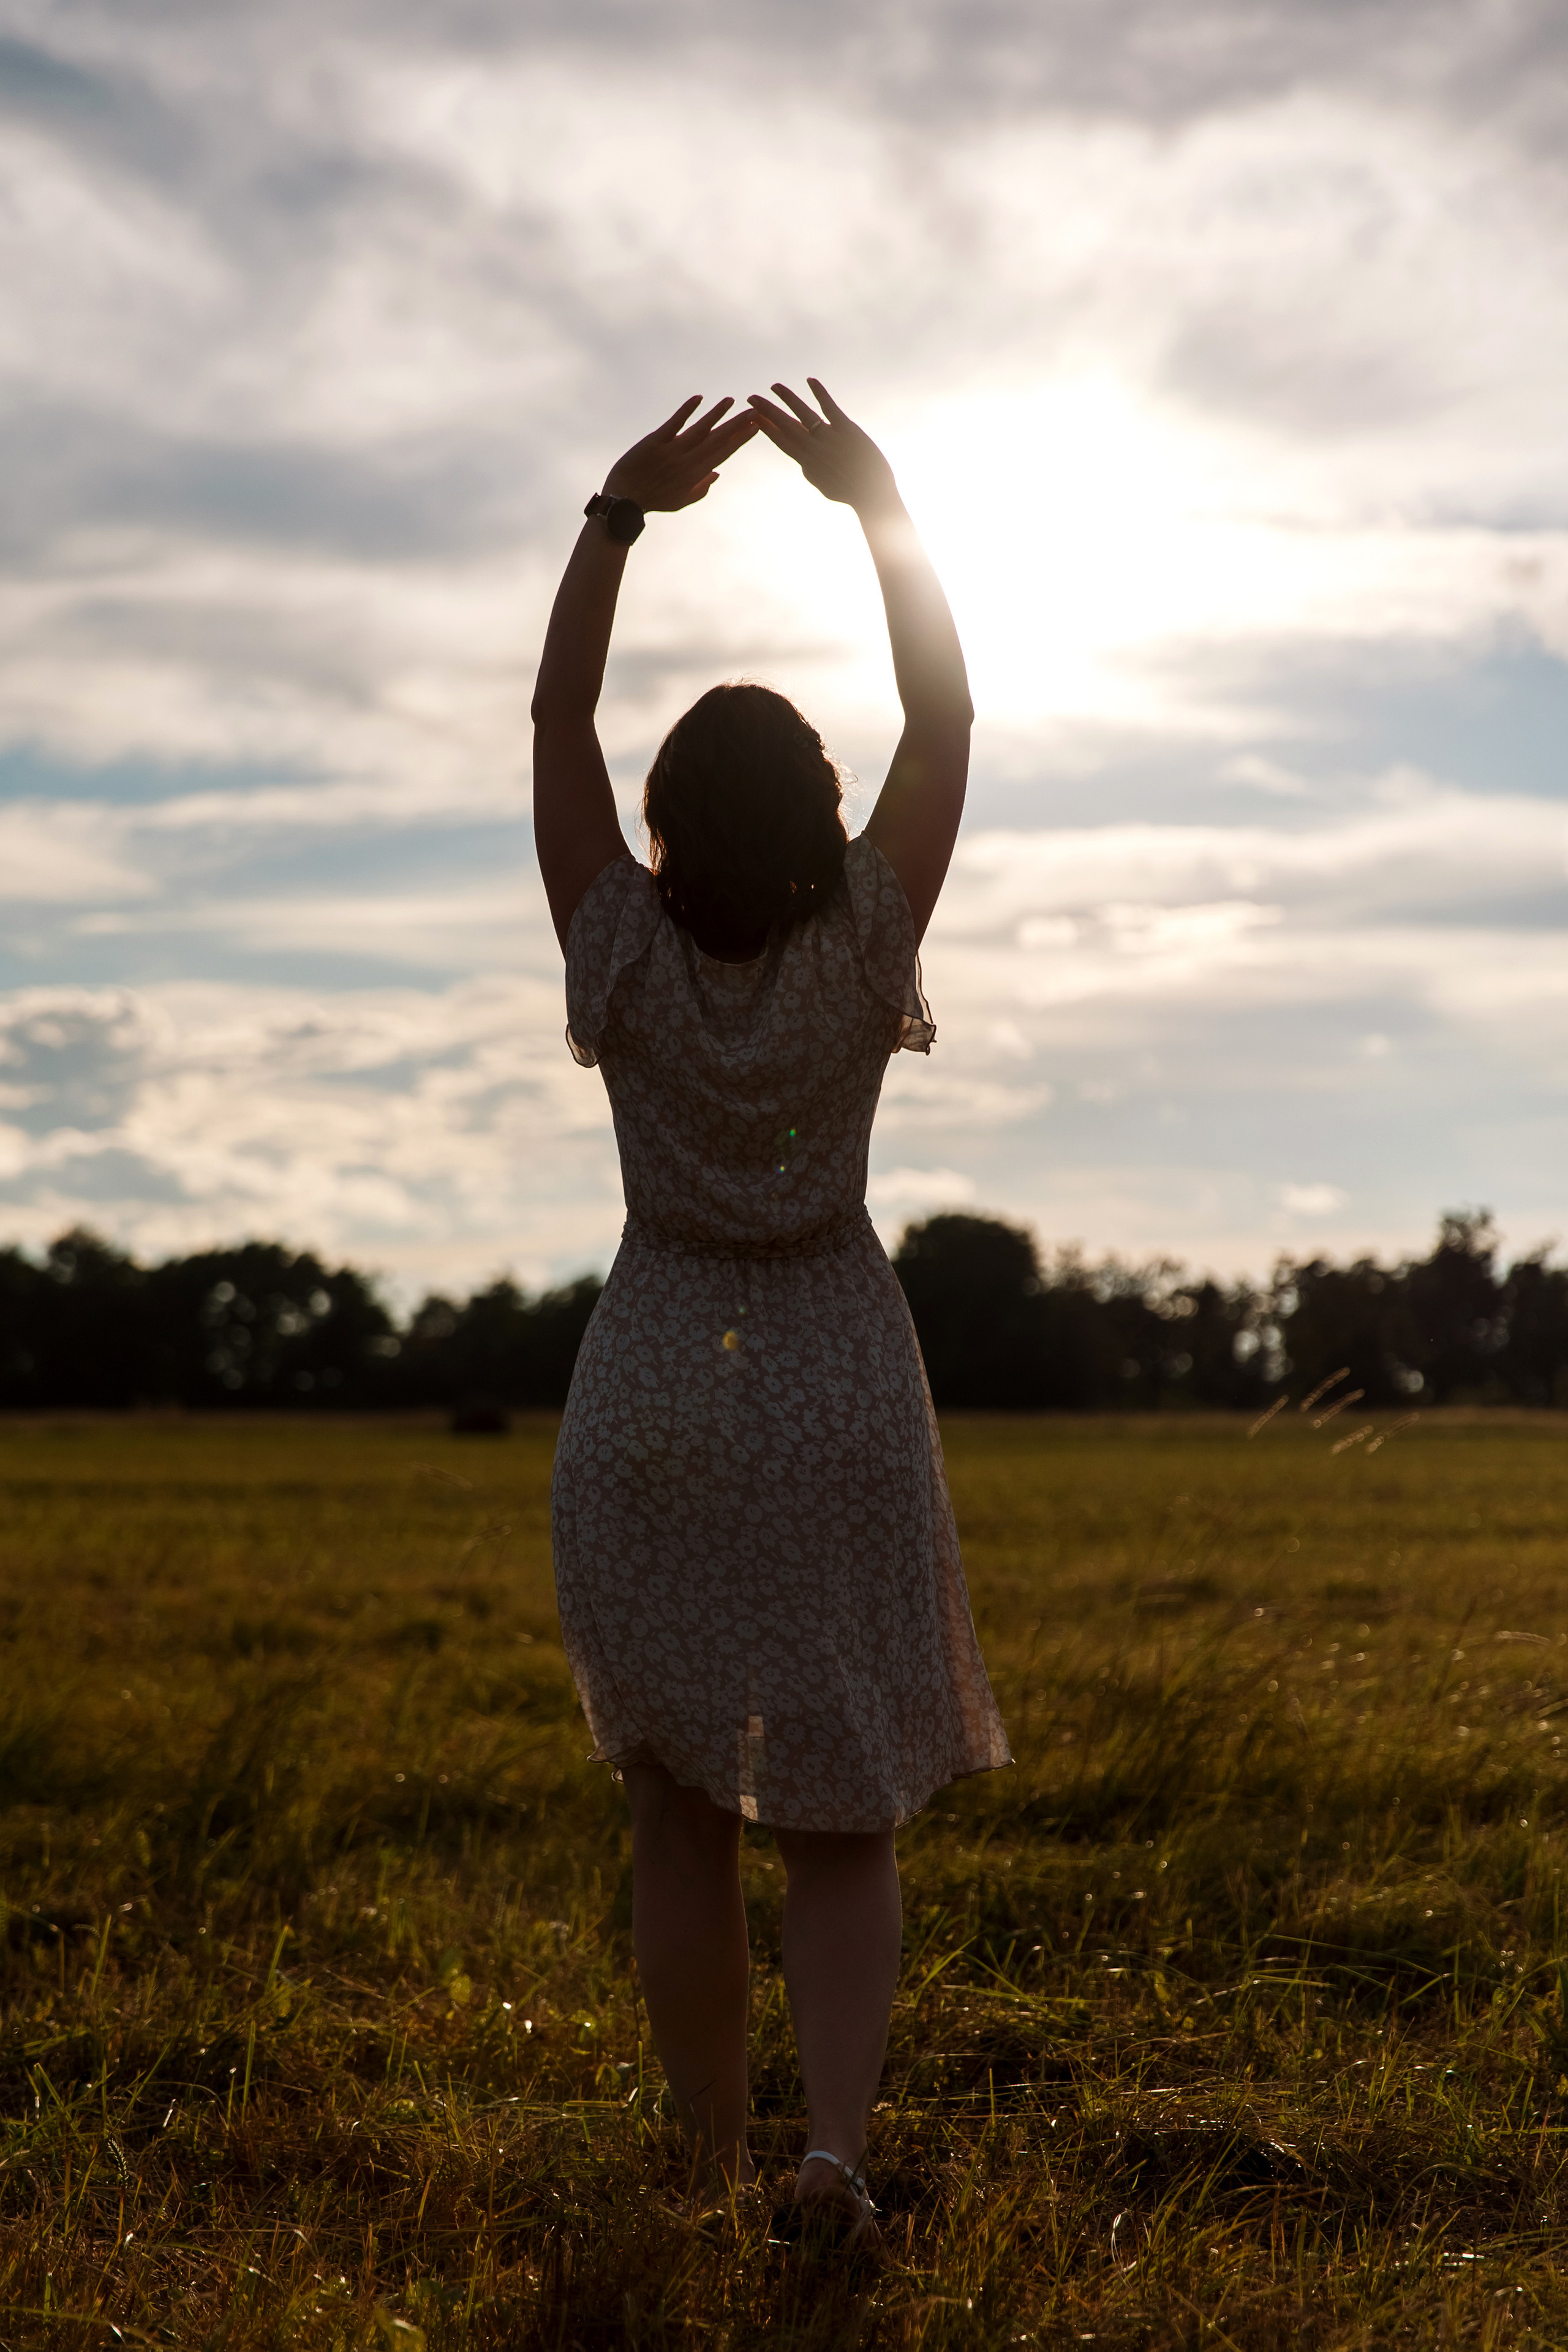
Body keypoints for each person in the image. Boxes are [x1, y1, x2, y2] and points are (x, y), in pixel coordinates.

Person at [531, 380, 1011, 2248]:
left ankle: (713, 2160)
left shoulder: (620, 946)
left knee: (678, 1813)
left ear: (662, 826)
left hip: (654, 1373)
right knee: (841, 1814)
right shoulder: (867, 939)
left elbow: (561, 714)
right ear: (821, 813)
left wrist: (616, 518)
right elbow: (949, 713)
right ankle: (829, 2160)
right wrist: (878, 502)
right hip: (831, 1370)